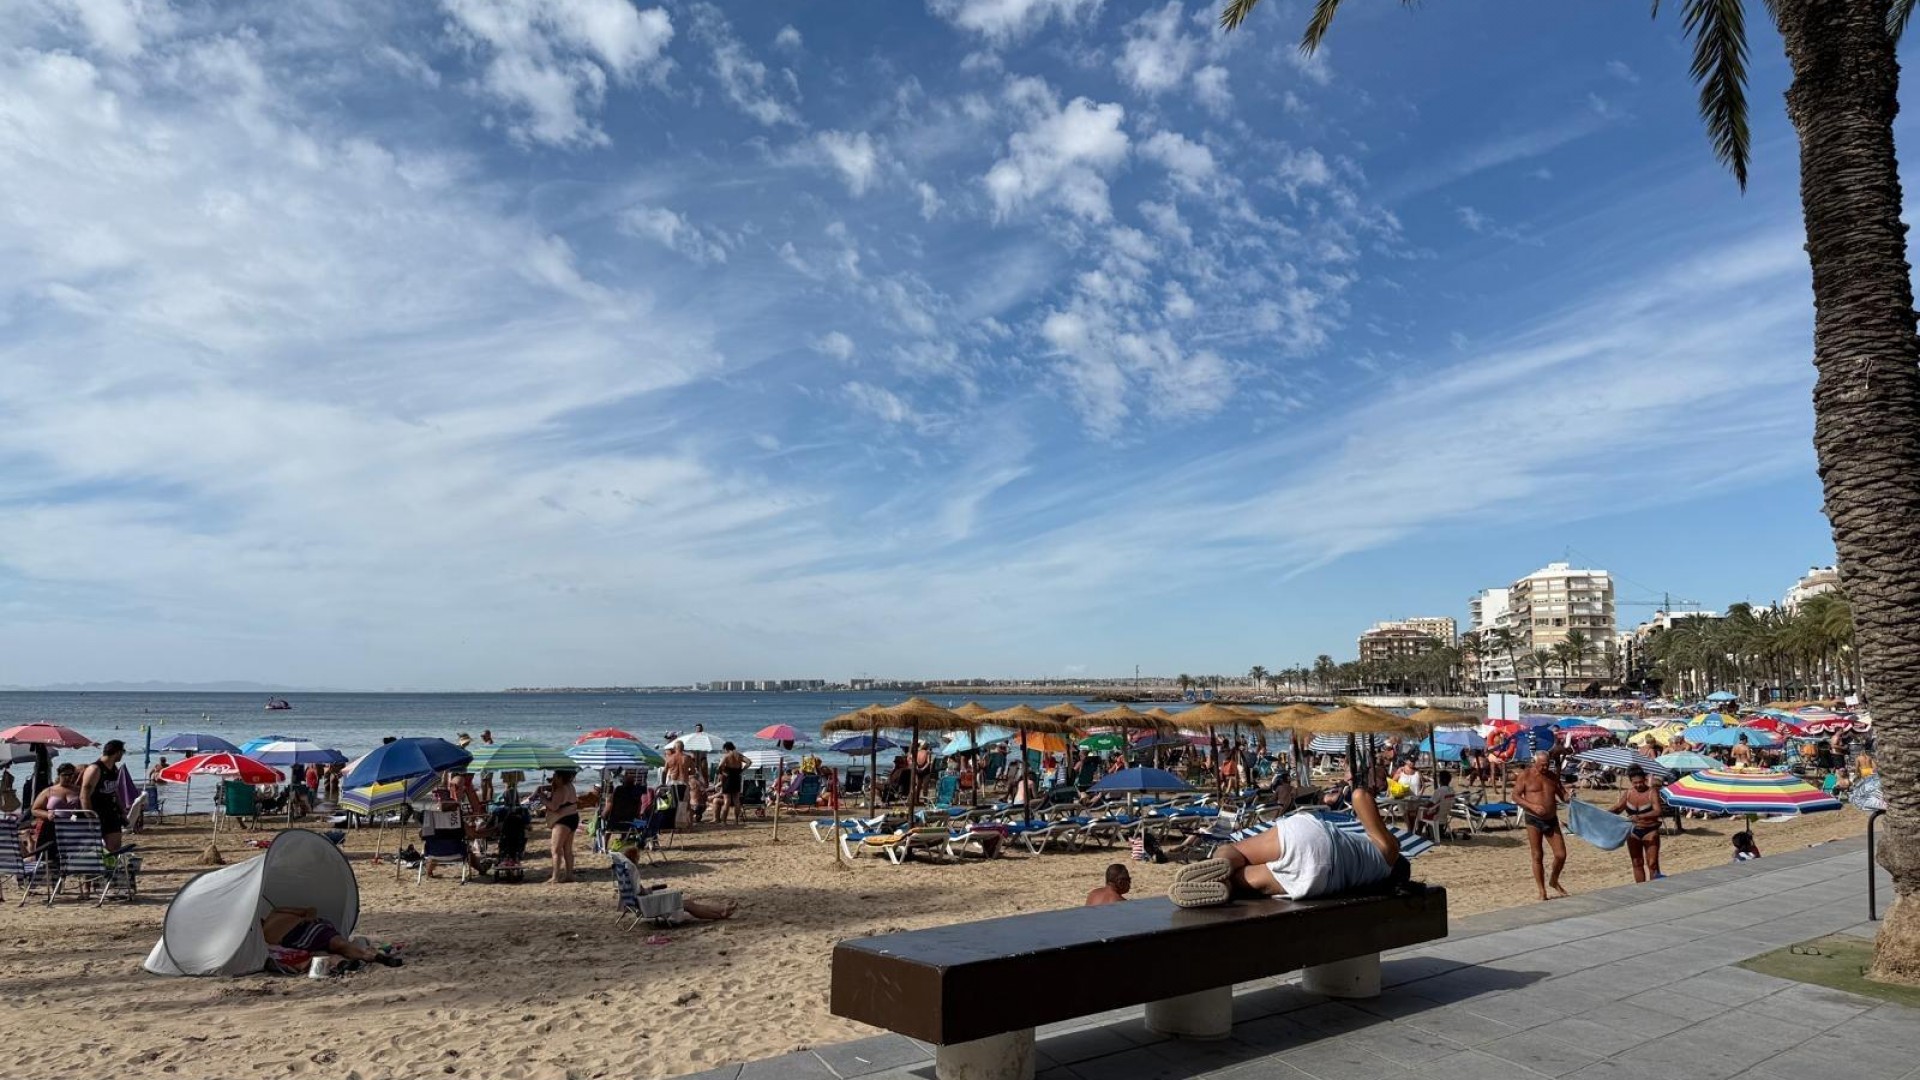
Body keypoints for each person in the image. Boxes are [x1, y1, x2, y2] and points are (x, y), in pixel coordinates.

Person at [1169, 784, 1407, 907]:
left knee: (1238, 851)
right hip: (1320, 880)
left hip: (1317, 836)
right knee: (1244, 882)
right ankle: (1227, 887)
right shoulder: (1373, 880)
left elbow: (1359, 796)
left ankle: (1217, 863)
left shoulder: (1389, 852)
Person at [613, 844, 737, 920]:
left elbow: (639, 892)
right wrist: (656, 890)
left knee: (689, 904)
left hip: (643, 903)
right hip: (648, 905)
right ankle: (720, 913)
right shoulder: (633, 874)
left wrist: (654, 889)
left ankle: (721, 910)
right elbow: (642, 893)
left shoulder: (627, 876)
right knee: (688, 905)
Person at [260, 904, 401, 968]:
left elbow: (310, 909)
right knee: (337, 947)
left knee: (338, 945)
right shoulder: (260, 939)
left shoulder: (276, 912)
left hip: (307, 928)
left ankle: (369, 956)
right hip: (299, 941)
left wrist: (308, 918)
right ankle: (370, 957)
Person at [1514, 752, 1569, 900]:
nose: (1545, 767)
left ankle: (1554, 880)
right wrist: (1532, 806)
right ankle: (1542, 890)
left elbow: (1562, 795)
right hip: (1533, 819)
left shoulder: (1552, 776)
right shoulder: (1525, 775)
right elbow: (1516, 796)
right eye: (1542, 764)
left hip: (1551, 819)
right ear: (1534, 762)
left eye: (1547, 764)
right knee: (1537, 855)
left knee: (1561, 854)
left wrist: (1568, 796)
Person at [1609, 765, 1665, 883]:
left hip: (1650, 831)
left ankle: (1655, 888)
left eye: (1640, 782)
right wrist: (1602, 813)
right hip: (1633, 831)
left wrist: (1640, 816)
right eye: (1635, 783)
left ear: (1645, 780)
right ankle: (1641, 889)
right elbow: (1618, 808)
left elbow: (1658, 811)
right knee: (1636, 862)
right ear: (1631, 782)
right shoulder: (1629, 793)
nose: (1638, 785)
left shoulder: (1652, 792)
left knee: (1652, 863)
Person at [80, 739, 128, 852]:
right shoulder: (95, 769)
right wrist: (90, 816)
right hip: (97, 812)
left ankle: (110, 868)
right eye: (123, 752)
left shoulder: (114, 769)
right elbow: (84, 795)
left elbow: (114, 791)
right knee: (93, 848)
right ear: (118, 752)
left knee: (115, 846)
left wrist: (122, 811)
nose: (123, 755)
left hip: (111, 812)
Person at [29, 762, 84, 857]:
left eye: (71, 775)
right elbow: (35, 809)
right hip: (52, 826)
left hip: (72, 825)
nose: (68, 777)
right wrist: (47, 815)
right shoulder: (49, 791)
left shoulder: (79, 790)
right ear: (59, 775)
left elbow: (83, 808)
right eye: (65, 775)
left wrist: (75, 816)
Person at [544, 768, 580, 884]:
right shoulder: (570, 786)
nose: (553, 777)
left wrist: (542, 799)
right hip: (573, 817)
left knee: (555, 849)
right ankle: (569, 874)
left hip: (563, 820)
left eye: (555, 775)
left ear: (560, 777)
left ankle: (555, 876)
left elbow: (554, 806)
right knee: (567, 849)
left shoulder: (561, 789)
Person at [714, 743, 748, 825]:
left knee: (727, 801)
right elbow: (749, 762)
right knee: (737, 801)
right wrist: (742, 770)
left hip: (728, 779)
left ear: (726, 748)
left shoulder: (726, 756)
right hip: (737, 778)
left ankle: (724, 821)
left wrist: (723, 772)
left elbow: (719, 767)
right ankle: (736, 820)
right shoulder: (739, 755)